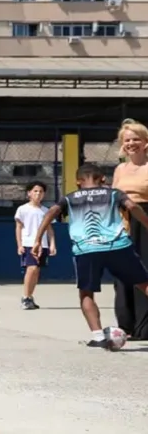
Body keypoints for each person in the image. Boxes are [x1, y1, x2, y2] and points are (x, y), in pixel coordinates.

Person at [32, 163, 148, 350]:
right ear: (103, 179)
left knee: (87, 293)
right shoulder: (113, 193)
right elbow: (132, 205)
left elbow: (52, 212)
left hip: (87, 249)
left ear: (77, 181)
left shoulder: (69, 198)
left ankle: (97, 336)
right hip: (117, 246)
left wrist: (38, 239)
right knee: (144, 283)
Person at [111, 118, 148, 340]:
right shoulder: (120, 169)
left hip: (145, 220)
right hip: (122, 222)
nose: (131, 143)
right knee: (122, 274)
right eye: (127, 140)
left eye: (136, 139)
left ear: (145, 143)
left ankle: (146, 326)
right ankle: (125, 326)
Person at [14, 181, 56, 310]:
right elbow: (18, 227)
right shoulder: (23, 209)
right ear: (29, 193)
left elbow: (49, 229)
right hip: (28, 244)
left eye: (41, 191)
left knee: (36, 271)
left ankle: (30, 297)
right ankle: (25, 297)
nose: (38, 194)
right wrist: (20, 245)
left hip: (42, 245)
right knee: (31, 269)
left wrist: (52, 244)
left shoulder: (46, 211)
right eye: (35, 191)